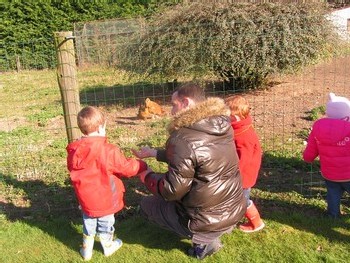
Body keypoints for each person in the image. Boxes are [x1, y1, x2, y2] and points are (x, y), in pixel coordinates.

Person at [133, 82, 246, 260]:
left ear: (185, 103)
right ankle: (211, 235)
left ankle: (202, 243)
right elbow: (200, 156)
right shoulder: (221, 124)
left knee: (147, 205)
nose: (171, 111)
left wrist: (147, 176)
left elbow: (171, 191)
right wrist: (154, 153)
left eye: (173, 105)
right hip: (234, 208)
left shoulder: (182, 137)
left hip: (205, 220)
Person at [66, 106, 149, 261]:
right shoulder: (108, 150)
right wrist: (142, 165)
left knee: (88, 222)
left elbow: (72, 168)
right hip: (105, 197)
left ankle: (87, 251)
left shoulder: (74, 150)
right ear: (101, 127)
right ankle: (108, 246)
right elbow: (125, 168)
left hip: (86, 198)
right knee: (106, 222)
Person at [303, 92, 350, 219]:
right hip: (348, 174)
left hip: (330, 173)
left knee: (333, 193)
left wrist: (308, 158)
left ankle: (333, 215)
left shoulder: (318, 127)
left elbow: (311, 149)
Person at [225, 95, 265, 232]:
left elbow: (245, 159)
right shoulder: (239, 127)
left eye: (226, 115)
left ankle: (257, 223)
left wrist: (235, 175)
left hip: (243, 176)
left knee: (242, 201)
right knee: (237, 199)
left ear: (235, 117)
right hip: (238, 174)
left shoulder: (244, 134)